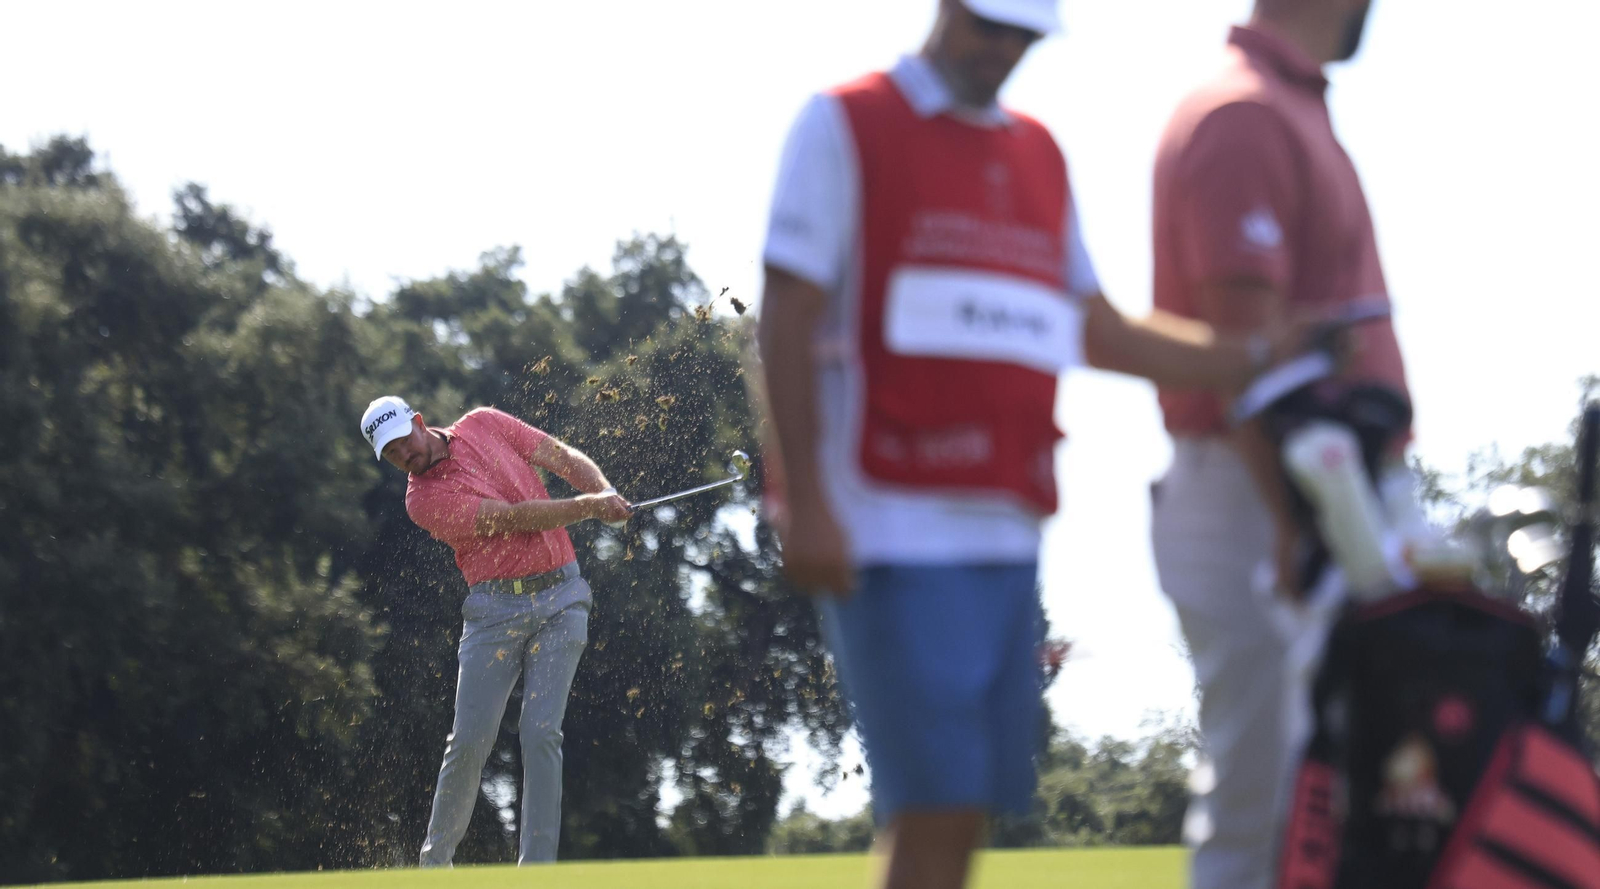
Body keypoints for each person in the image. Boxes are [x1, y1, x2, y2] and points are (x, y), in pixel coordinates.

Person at [754, 2, 1312, 887]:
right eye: (989, 28)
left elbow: (1095, 328)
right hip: (886, 522)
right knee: (932, 801)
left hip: (1008, 527)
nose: (1003, 52)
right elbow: (786, 310)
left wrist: (1249, 360)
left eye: (1023, 36)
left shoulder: (1038, 152)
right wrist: (804, 501)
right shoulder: (847, 121)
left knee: (963, 808)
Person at [1147, 2, 1412, 886]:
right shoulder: (1245, 115)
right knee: (1267, 815)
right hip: (1263, 493)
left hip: (1313, 490)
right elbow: (1244, 366)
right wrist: (1294, 529)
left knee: (1348, 814)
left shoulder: (1287, 105)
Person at [358, 396, 631, 867]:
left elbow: (560, 457)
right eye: (391, 455)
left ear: (418, 423)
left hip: (562, 599)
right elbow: (512, 519)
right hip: (494, 614)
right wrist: (589, 507)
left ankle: (537, 871)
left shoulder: (484, 423)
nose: (403, 456)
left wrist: (605, 493)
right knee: (469, 741)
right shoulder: (421, 501)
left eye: (402, 442)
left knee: (540, 732)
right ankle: (434, 867)